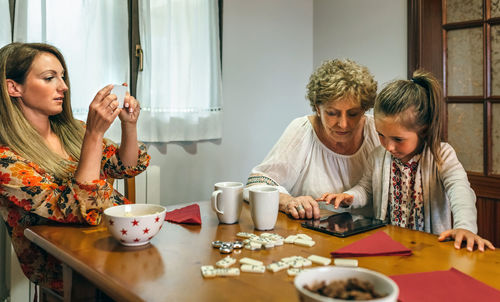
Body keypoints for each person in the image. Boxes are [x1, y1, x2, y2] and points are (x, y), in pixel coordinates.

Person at [0, 42, 150, 294]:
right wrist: (94, 134)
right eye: (49, 78)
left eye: (63, 77)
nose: (64, 87)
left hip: (114, 250)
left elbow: (126, 167)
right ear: (13, 87)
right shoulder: (6, 160)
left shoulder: (72, 130)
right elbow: (74, 210)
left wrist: (129, 126)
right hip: (70, 272)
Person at [319, 70, 495, 252]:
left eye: (398, 139)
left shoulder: (441, 155)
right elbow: (365, 188)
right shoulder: (378, 156)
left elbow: (460, 190)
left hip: (431, 248)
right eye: (381, 135)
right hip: (386, 244)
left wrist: (464, 227)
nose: (388, 146)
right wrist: (350, 197)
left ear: (424, 130)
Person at [245, 59, 379, 220]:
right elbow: (256, 184)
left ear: (365, 109)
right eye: (332, 113)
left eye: (353, 114)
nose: (343, 124)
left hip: (370, 235)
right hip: (316, 236)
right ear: (317, 107)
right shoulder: (302, 131)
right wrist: (289, 201)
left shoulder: (378, 132)